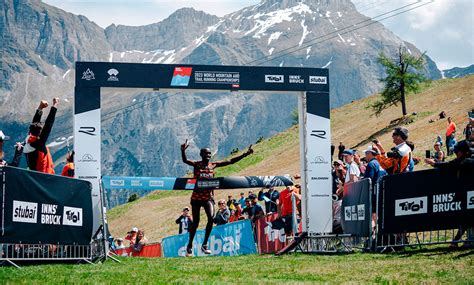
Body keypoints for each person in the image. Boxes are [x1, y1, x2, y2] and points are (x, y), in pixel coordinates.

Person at [180, 139, 253, 256]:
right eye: (206, 154)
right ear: (201, 155)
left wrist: (246, 154)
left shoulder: (213, 165)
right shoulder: (197, 164)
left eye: (209, 154)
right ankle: (189, 245)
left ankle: (204, 244)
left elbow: (230, 161)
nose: (208, 156)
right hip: (196, 198)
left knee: (211, 218)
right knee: (196, 223)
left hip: (207, 198)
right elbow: (185, 160)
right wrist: (183, 150)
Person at [425, 140, 472, 248]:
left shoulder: (466, 162)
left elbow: (450, 165)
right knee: (467, 218)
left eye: (457, 152)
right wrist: (435, 162)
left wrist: (434, 163)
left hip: (469, 195)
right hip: (468, 195)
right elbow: (450, 164)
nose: (456, 154)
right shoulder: (464, 160)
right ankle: (455, 241)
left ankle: (456, 242)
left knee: (467, 218)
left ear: (461, 152)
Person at [23, 99, 59, 174]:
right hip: (44, 178)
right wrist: (55, 105)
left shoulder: (29, 141)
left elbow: (35, 124)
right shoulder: (39, 144)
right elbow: (48, 125)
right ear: (39, 133)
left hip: (35, 176)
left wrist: (40, 108)